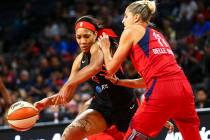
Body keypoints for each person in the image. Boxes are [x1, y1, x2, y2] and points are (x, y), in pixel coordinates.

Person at [98, 0, 201, 140]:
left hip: (162, 88)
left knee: (134, 135)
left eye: (126, 16)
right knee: (192, 136)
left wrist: (105, 48)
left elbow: (110, 68)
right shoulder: (157, 34)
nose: (123, 21)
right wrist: (120, 82)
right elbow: (150, 79)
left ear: (136, 17)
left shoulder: (131, 30)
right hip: (183, 87)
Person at [34, 15, 140, 140]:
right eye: (79, 37)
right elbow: (66, 96)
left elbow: (95, 67)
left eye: (86, 36)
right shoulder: (78, 61)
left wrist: (68, 83)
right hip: (102, 108)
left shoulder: (100, 45)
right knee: (69, 134)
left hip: (126, 108)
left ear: (95, 35)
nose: (82, 41)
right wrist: (45, 102)